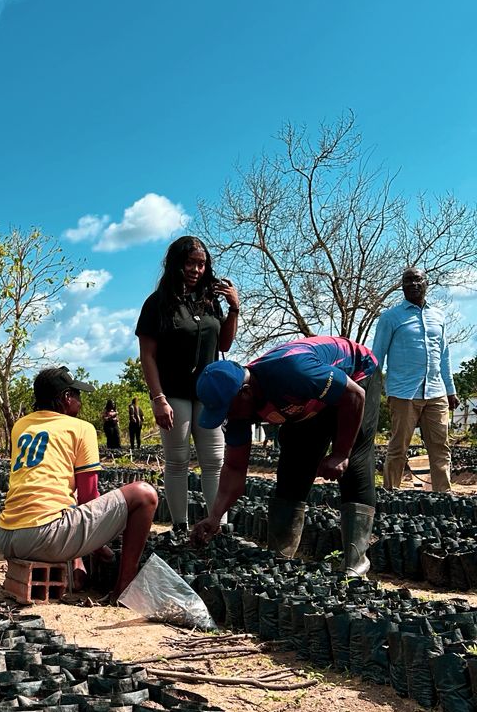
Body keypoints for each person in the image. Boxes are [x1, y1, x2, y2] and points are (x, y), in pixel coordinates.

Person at [192, 335, 381, 575]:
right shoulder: (238, 407)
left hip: (356, 378)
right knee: (293, 465)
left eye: (226, 410)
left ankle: (356, 561)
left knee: (354, 464)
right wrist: (215, 517)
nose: (227, 417)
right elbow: (234, 468)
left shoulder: (292, 372)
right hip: (310, 398)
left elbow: (354, 395)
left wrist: (341, 453)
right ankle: (280, 556)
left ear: (246, 392)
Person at [0, 366, 159, 598]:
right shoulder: (81, 429)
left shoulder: (21, 426)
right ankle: (125, 587)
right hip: (44, 537)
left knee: (62, 494)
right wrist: (99, 546)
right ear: (66, 397)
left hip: (6, 537)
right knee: (144, 494)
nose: (80, 401)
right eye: (77, 395)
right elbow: (89, 497)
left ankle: (76, 569)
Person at [137, 235, 240, 541]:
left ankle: (216, 524)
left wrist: (234, 309)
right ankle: (180, 526)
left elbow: (224, 344)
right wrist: (158, 398)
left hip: (207, 393)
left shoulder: (210, 301)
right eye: (190, 263)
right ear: (176, 264)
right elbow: (148, 355)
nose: (196, 269)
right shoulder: (158, 303)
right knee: (178, 460)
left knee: (214, 460)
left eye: (201, 264)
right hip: (173, 393)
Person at [372, 267, 458, 492]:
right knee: (398, 447)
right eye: (407, 280)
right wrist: (371, 391)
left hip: (436, 391)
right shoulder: (390, 317)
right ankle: (390, 492)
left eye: (417, 279)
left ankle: (443, 496)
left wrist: (450, 390)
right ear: (402, 286)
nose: (413, 284)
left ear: (426, 283)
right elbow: (377, 357)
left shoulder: (438, 316)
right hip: (403, 393)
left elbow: (444, 356)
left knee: (440, 447)